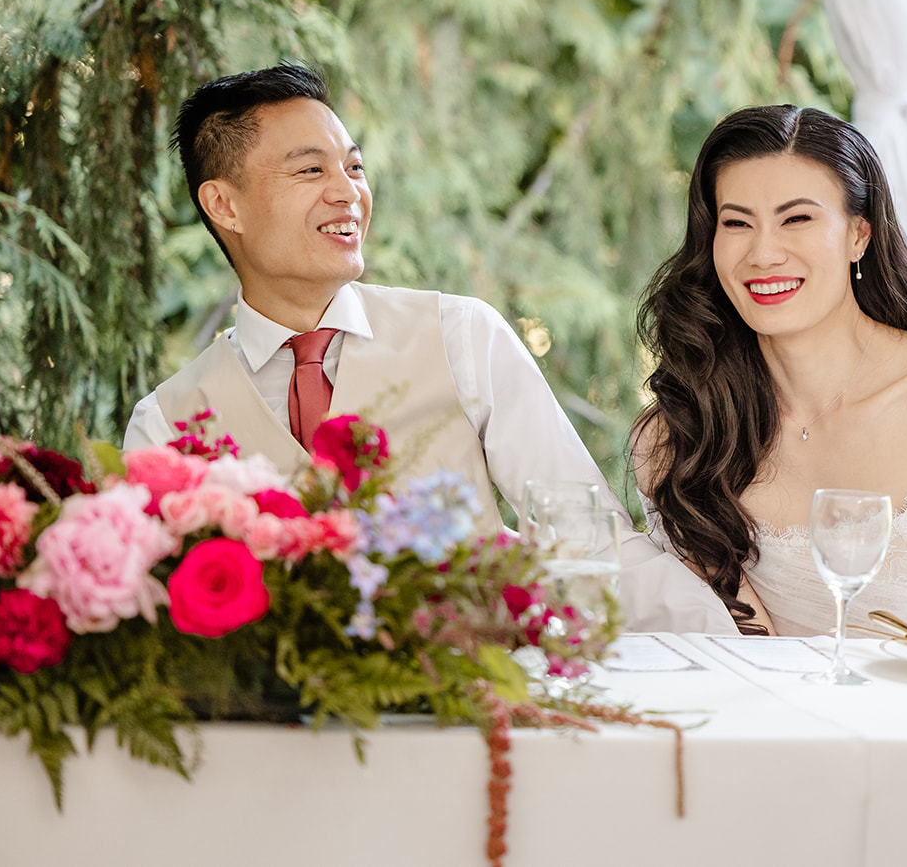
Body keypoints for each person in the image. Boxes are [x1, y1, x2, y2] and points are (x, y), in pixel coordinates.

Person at [125, 64, 737, 634]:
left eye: (354, 167)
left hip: (477, 702)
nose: (348, 192)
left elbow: (586, 537)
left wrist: (731, 644)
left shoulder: (463, 336)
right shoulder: (165, 424)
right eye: (311, 171)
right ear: (224, 205)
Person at [632, 105, 907, 636]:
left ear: (859, 235)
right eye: (737, 223)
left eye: (796, 219)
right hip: (762, 693)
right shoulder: (681, 434)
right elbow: (749, 647)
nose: (763, 253)